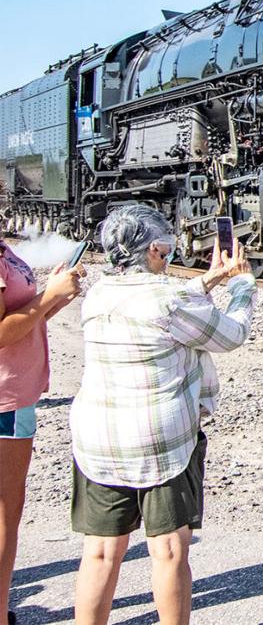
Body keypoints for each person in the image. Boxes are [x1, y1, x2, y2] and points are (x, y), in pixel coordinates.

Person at [70, 204, 256, 625]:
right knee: (169, 549)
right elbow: (231, 334)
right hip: (160, 440)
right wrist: (243, 285)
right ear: (156, 249)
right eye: (168, 248)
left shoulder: (98, 294)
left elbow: (158, 303)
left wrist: (211, 278)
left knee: (100, 553)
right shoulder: (169, 299)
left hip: (99, 438)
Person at [2, 241, 84, 625]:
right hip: (5, 397)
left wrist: (53, 302)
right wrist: (48, 296)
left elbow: (20, 319)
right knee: (4, 512)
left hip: (13, 393)